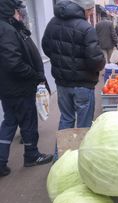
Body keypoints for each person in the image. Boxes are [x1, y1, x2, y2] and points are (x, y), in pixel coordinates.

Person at [0, 0, 53, 176]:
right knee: (27, 122)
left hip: (9, 88)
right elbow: (13, 62)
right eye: (17, 11)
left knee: (9, 122)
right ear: (9, 12)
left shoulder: (8, 27)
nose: (20, 14)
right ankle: (32, 155)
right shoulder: (7, 29)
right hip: (18, 88)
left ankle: (1, 161)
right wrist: (33, 74)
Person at [42, 0, 106, 130]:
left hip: (62, 83)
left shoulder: (52, 23)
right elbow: (95, 59)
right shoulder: (86, 28)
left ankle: (61, 151)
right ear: (84, 9)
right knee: (83, 125)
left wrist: (60, 61)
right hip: (83, 84)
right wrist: (101, 64)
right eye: (89, 11)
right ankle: (79, 150)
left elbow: (46, 47)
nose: (89, 14)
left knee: (66, 119)